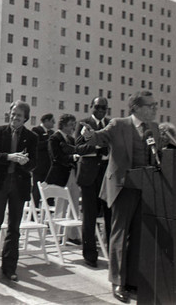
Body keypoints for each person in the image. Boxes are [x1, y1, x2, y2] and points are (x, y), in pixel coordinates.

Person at [81, 90, 162, 303]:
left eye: (156, 105)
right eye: (150, 105)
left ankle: (133, 281)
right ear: (136, 107)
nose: (154, 109)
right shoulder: (119, 125)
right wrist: (88, 134)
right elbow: (98, 138)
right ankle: (117, 281)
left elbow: (158, 157)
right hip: (122, 187)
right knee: (119, 234)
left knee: (138, 236)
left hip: (145, 189)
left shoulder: (154, 129)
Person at [0, 100, 37, 282]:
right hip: (0, 184)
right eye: (12, 114)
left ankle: (9, 268)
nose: (14, 118)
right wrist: (10, 157)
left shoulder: (32, 137)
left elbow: (35, 163)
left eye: (19, 115)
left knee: (14, 228)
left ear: (25, 118)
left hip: (19, 186)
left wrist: (25, 162)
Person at [74, 97, 112, 268]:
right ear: (91, 107)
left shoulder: (111, 124)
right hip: (89, 177)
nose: (101, 110)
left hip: (108, 176)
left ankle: (113, 254)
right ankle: (90, 255)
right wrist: (97, 147)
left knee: (111, 216)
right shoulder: (83, 124)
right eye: (97, 106)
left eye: (104, 107)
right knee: (89, 217)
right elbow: (79, 148)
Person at [45, 113, 81, 243]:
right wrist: (72, 157)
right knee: (61, 204)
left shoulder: (71, 140)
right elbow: (55, 157)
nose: (73, 127)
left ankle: (72, 235)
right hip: (60, 175)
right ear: (64, 124)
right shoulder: (54, 138)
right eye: (71, 124)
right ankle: (58, 234)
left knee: (74, 204)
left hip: (72, 174)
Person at [31, 113, 55, 207]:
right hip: (39, 167)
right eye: (52, 121)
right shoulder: (36, 130)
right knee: (37, 190)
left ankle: (48, 213)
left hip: (49, 168)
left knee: (49, 190)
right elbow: (36, 145)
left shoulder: (52, 133)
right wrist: (49, 141)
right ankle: (34, 213)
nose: (54, 123)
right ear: (46, 121)